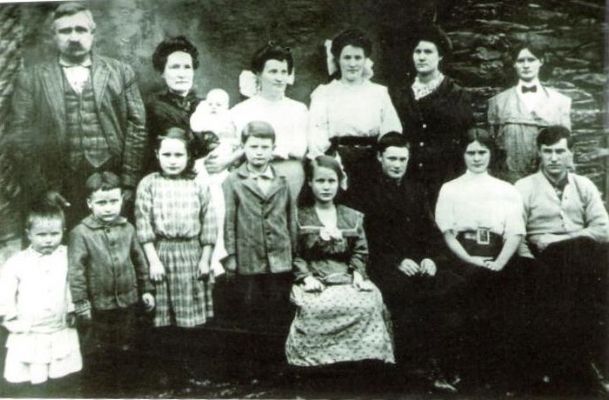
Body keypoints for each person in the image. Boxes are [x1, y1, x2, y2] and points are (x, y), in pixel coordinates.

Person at [6, 2, 147, 228]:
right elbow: (20, 137)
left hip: (112, 179)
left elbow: (137, 128)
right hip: (60, 184)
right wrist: (43, 190)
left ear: (92, 33)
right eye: (65, 31)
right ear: (54, 36)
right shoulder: (31, 78)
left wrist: (129, 183)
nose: (73, 37)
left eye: (80, 30)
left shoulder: (120, 72)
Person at [354, 132, 464, 392]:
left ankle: (448, 362)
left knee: (454, 286)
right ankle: (418, 369)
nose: (397, 164)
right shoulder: (365, 192)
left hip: (419, 263)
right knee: (408, 296)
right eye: (391, 158)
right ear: (379, 157)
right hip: (383, 265)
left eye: (402, 159)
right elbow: (365, 240)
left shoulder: (416, 189)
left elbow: (430, 232)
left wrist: (431, 258)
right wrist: (396, 261)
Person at [515, 125, 609, 391]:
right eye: (548, 152)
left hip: (584, 258)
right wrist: (528, 263)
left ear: (571, 153)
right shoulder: (524, 187)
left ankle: (591, 363)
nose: (554, 158)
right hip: (545, 262)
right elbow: (517, 233)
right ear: (539, 153)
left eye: (560, 151)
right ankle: (574, 368)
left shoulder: (584, 186)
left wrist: (558, 239)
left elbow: (604, 229)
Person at [435, 128, 528, 385]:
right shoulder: (450, 189)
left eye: (482, 152)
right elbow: (448, 233)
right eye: (471, 152)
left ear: (491, 154)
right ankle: (460, 371)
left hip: (499, 255)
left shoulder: (506, 189)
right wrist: (470, 259)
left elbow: (515, 232)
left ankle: (498, 373)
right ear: (463, 155)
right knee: (461, 299)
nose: (476, 158)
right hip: (462, 257)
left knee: (507, 299)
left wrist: (499, 262)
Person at [285, 155, 394, 367]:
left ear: (339, 182)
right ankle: (318, 363)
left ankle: (363, 360)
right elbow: (295, 253)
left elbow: (360, 252)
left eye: (331, 181)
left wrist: (357, 273)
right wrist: (305, 277)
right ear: (310, 182)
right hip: (314, 277)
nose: (326, 187)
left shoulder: (352, 217)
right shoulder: (299, 217)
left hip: (346, 276)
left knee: (369, 301)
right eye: (320, 181)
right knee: (317, 307)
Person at [67, 171, 154, 395]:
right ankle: (99, 392)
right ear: (89, 203)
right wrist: (81, 303)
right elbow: (76, 272)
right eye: (101, 203)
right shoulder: (80, 233)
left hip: (127, 301)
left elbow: (139, 261)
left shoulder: (128, 228)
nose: (108, 208)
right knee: (98, 351)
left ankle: (126, 390)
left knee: (126, 347)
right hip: (98, 306)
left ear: (121, 200)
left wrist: (146, 290)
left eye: (113, 201)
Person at [308, 28, 402, 201]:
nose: (352, 64)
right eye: (347, 57)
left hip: (373, 163)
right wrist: (329, 166)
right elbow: (316, 135)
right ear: (337, 59)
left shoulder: (378, 93)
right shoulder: (324, 93)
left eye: (358, 58)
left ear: (365, 60)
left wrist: (384, 162)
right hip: (338, 162)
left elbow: (392, 133)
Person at [0, 203, 82, 396]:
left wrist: (72, 308)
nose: (48, 240)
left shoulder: (68, 256)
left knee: (62, 376)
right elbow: (4, 291)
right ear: (29, 233)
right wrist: (9, 317)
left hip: (59, 327)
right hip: (30, 331)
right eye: (41, 235)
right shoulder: (17, 262)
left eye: (54, 234)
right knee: (33, 379)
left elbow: (74, 283)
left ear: (63, 231)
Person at [222, 121, 296, 332]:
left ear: (273, 149)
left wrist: (292, 253)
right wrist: (231, 256)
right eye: (253, 147)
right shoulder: (233, 181)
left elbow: (290, 217)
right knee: (250, 312)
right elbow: (228, 221)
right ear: (243, 147)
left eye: (265, 147)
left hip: (280, 259)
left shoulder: (283, 180)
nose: (259, 153)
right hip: (248, 259)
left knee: (278, 312)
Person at [392, 26, 474, 203]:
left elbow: (465, 138)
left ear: (440, 56)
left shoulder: (456, 94)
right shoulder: (401, 94)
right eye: (417, 51)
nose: (421, 57)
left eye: (428, 52)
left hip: (444, 177)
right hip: (409, 177)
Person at [230, 43, 308, 199]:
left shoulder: (298, 109)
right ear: (258, 74)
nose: (279, 78)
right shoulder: (240, 111)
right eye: (273, 71)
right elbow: (235, 149)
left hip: (290, 177)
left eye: (284, 72)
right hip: (252, 178)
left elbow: (300, 149)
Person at [488, 43, 571, 183]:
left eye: (531, 60)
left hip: (548, 182)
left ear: (541, 62)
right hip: (510, 181)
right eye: (520, 61)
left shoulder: (560, 101)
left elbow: (567, 149)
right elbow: (492, 149)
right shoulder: (497, 102)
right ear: (514, 64)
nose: (526, 65)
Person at [145, 35, 203, 174]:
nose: (181, 74)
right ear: (162, 73)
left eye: (187, 67)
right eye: (174, 67)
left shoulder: (207, 105)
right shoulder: (154, 107)